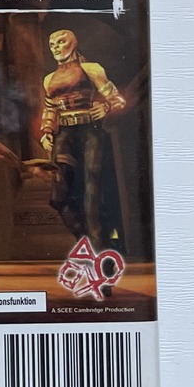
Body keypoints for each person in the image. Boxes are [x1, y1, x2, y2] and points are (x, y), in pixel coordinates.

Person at [38, 28, 127, 250]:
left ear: (74, 43)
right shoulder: (49, 80)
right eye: (52, 44)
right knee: (58, 196)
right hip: (64, 135)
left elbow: (117, 100)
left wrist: (106, 107)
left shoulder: (91, 69)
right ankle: (85, 241)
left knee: (92, 194)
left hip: (89, 131)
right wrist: (47, 131)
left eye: (61, 42)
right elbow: (50, 109)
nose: (56, 48)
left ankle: (100, 253)